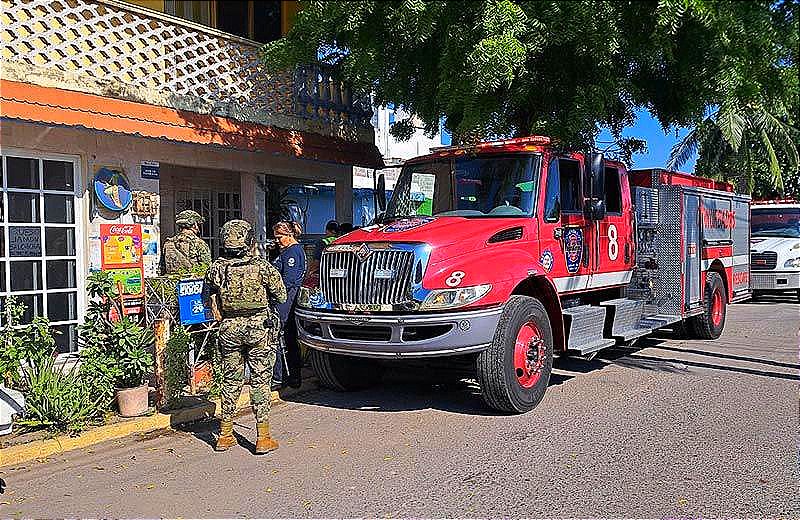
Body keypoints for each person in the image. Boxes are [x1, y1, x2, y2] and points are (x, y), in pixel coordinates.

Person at [203, 219, 286, 454]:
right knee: (260, 381)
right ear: (249, 242)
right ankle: (263, 437)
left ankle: (225, 435)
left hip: (228, 329)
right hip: (259, 328)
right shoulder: (263, 267)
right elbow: (280, 296)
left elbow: (207, 298)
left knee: (230, 381)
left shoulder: (216, 268)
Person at [271, 221, 307, 389]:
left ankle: (280, 377)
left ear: (289, 235)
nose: (277, 240)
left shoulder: (293, 252)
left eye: (280, 237)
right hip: (287, 300)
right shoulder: (287, 251)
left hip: (286, 300)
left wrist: (277, 300)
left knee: (278, 335)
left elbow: (289, 281)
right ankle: (290, 376)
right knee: (288, 337)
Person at [162, 210, 211, 275]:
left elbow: (163, 268)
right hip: (193, 283)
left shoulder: (168, 243)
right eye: (198, 224)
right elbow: (207, 269)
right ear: (194, 225)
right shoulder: (199, 243)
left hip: (172, 282)